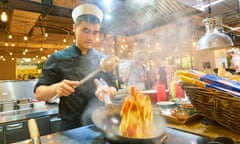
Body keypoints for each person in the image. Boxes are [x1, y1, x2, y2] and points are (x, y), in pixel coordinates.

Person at [34, 3, 117, 131]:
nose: (90, 37)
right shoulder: (58, 58)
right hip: (70, 127)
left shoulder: (102, 60)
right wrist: (56, 88)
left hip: (99, 123)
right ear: (74, 28)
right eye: (85, 30)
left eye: (95, 33)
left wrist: (108, 91)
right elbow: (39, 93)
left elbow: (114, 86)